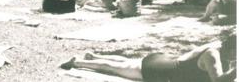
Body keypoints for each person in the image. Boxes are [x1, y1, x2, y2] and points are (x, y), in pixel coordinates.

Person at [60, 32, 237, 82]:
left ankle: (94, 56)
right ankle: (78, 62)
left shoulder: (219, 47)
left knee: (127, 63)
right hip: (160, 71)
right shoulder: (213, 55)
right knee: (114, 69)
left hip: (166, 61)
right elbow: (219, 81)